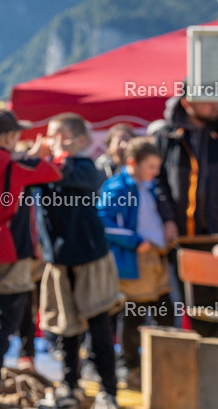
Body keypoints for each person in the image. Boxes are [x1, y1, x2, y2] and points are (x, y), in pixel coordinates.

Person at [0, 109, 61, 399]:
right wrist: (46, 152)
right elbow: (53, 170)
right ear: (10, 136)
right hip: (9, 249)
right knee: (2, 324)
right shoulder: (16, 162)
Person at [34, 113, 122, 409]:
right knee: (66, 330)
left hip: (90, 258)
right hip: (59, 261)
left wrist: (57, 155)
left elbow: (72, 176)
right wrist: (36, 158)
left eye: (59, 135)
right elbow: (23, 176)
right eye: (50, 135)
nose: (52, 141)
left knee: (99, 329)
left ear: (81, 140)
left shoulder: (87, 167)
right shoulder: (46, 168)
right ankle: (69, 387)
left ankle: (108, 391)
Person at [97, 136, 177, 390]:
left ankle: (166, 363)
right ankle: (130, 367)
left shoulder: (149, 186)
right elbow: (103, 221)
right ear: (133, 162)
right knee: (134, 316)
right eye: (151, 166)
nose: (155, 172)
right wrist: (134, 240)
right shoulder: (118, 187)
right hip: (135, 260)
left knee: (165, 311)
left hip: (156, 258)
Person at [154, 89, 218, 336]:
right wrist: (168, 219)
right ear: (187, 101)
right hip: (182, 238)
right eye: (208, 99)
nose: (215, 105)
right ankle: (201, 363)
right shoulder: (166, 136)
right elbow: (157, 183)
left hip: (215, 237)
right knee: (191, 307)